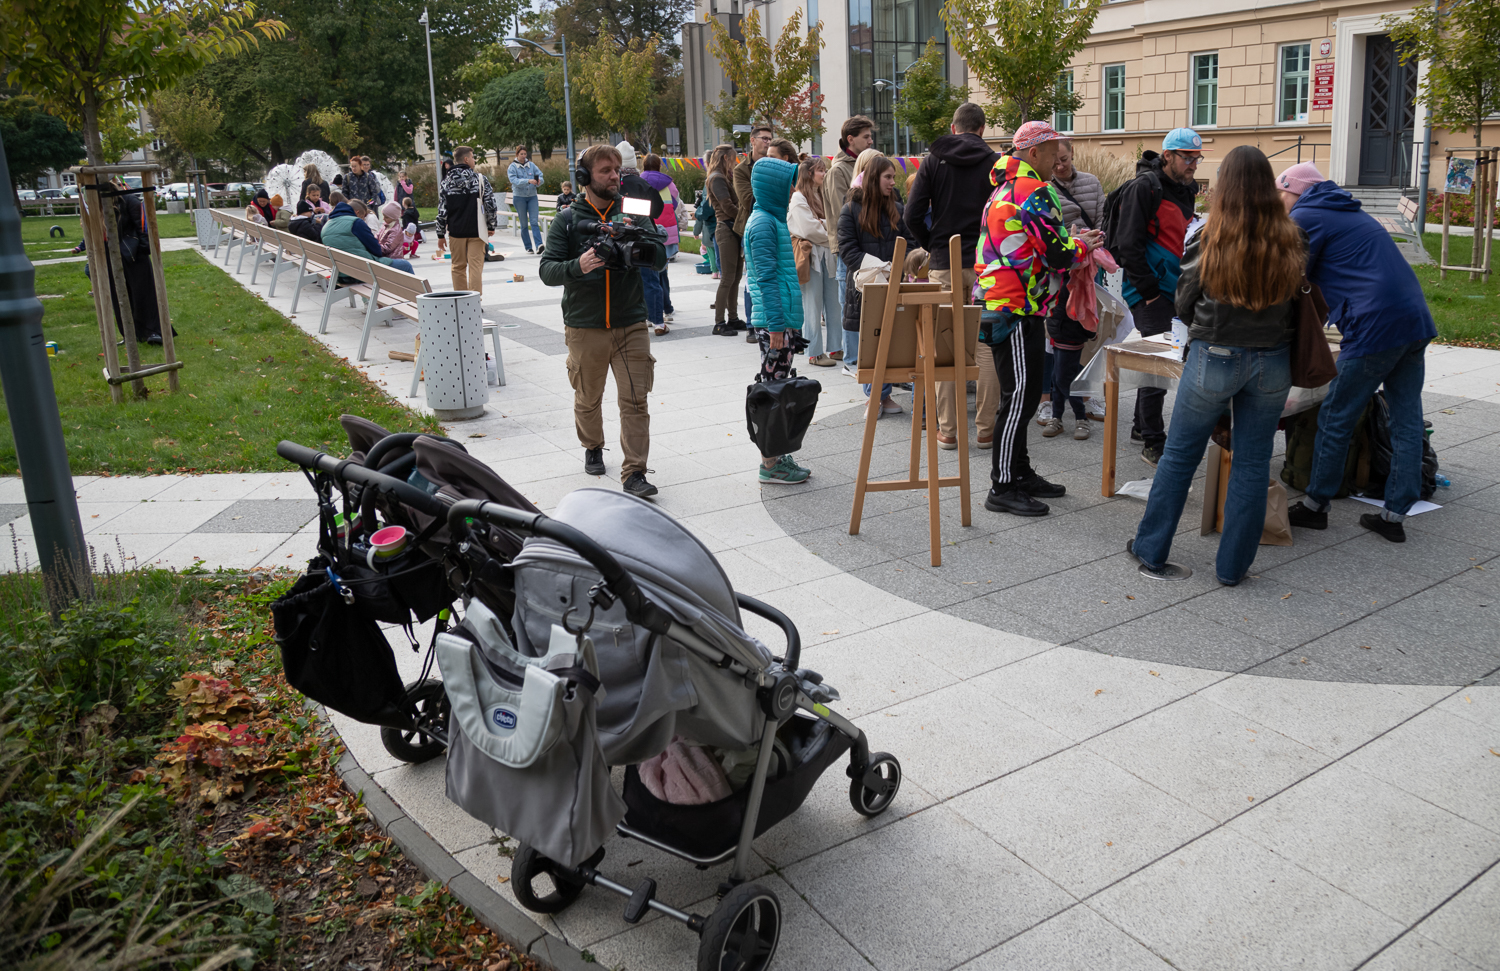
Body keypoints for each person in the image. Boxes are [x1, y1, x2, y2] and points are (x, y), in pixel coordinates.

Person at [1128, 145, 1304, 583]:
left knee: (1179, 455)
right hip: (1273, 359)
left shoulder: (1211, 234)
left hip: (1216, 354)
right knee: (1252, 463)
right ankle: (1233, 568)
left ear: (1225, 186)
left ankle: (1151, 549)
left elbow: (1184, 299)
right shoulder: (1291, 236)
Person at [1279, 162, 1439, 543]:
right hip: (1415, 320)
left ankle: (1315, 506)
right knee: (1406, 419)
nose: (1277, 203)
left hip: (1376, 325)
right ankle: (1394, 515)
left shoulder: (1306, 215)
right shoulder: (1345, 209)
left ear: (1294, 191)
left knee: (1336, 413)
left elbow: (1287, 278)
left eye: (1279, 194)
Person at [975, 121, 1102, 517]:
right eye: (1053, 154)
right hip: (1014, 307)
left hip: (1005, 303)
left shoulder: (1004, 186)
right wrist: (1083, 244)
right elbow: (1058, 254)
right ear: (1034, 153)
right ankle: (1002, 486)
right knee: (1019, 399)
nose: (1057, 161)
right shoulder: (1034, 190)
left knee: (1023, 395)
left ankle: (1020, 473)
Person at [539, 143, 667, 499]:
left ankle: (635, 472)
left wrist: (638, 242)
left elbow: (659, 258)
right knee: (588, 397)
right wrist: (577, 266)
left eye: (617, 170)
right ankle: (593, 445)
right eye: (605, 171)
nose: (614, 176)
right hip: (585, 325)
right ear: (585, 177)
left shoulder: (632, 210)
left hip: (631, 322)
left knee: (636, 400)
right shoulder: (568, 219)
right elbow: (547, 270)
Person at [905, 102, 1002, 452]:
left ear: (953, 127)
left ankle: (947, 430)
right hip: (985, 264)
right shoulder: (996, 163)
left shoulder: (933, 161)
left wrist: (931, 243)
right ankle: (986, 429)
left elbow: (912, 213)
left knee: (943, 344)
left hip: (944, 262)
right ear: (982, 129)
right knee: (986, 345)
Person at [1114, 128, 1203, 467]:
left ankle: (1141, 426)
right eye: (1187, 157)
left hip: (1175, 288)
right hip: (1148, 291)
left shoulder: (1187, 189)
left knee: (1164, 358)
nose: (1193, 164)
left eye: (1197, 158)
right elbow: (1128, 245)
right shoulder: (1144, 187)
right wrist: (1149, 293)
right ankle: (1153, 441)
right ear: (1168, 156)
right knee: (1159, 364)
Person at [744, 155, 813, 484]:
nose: (791, 191)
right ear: (772, 187)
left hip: (782, 318)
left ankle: (775, 456)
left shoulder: (770, 219)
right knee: (774, 392)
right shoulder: (763, 224)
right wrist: (775, 328)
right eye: (787, 185)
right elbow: (767, 279)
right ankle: (770, 464)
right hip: (776, 322)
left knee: (778, 387)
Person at [839, 155, 917, 418]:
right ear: (874, 178)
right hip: (865, 289)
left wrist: (900, 266)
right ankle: (876, 397)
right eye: (888, 177)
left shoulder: (897, 208)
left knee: (892, 341)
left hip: (894, 285)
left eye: (893, 177)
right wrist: (881, 268)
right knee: (871, 343)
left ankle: (882, 395)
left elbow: (911, 243)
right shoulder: (850, 209)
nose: (893, 182)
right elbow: (847, 251)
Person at [1043, 138, 1108, 441]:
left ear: (1072, 155)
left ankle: (1086, 396)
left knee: (1087, 334)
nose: (1059, 166)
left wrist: (1095, 241)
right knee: (1055, 339)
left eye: (1064, 160)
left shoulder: (1091, 183)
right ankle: (1051, 404)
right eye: (1054, 161)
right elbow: (1047, 232)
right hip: (1060, 270)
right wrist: (1071, 244)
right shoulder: (1044, 188)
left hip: (1091, 266)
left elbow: (1104, 220)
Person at [837, 146, 887, 380]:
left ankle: (878, 373)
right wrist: (875, 264)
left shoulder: (892, 202)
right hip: (862, 270)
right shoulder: (851, 204)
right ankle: (853, 362)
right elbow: (847, 246)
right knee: (855, 314)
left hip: (883, 270)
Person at [788, 156, 843, 367]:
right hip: (811, 256)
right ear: (809, 173)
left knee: (834, 303)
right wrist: (829, 230)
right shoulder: (798, 198)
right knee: (812, 303)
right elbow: (809, 229)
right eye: (821, 170)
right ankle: (814, 352)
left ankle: (836, 347)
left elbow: (831, 223)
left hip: (828, 255)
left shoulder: (821, 194)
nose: (825, 174)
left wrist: (824, 225)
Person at [435, 145, 497, 296]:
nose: (474, 160)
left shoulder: (446, 182)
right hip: (477, 231)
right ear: (466, 159)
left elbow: (442, 210)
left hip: (456, 232)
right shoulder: (480, 179)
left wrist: (440, 234)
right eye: (473, 157)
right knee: (475, 267)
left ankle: (461, 300)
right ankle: (474, 301)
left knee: (458, 267)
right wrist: (491, 225)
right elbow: (490, 204)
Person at [735, 126, 774, 340]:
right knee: (754, 277)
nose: (767, 142)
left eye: (770, 139)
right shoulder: (741, 170)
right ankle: (752, 324)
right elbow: (748, 200)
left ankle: (773, 322)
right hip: (752, 227)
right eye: (764, 138)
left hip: (776, 225)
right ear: (753, 140)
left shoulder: (775, 164)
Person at [707, 144, 747, 335]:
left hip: (733, 228)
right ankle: (719, 322)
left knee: (736, 277)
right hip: (726, 228)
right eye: (733, 158)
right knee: (727, 278)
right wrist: (745, 219)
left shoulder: (724, 176)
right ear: (725, 158)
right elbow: (727, 206)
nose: (735, 161)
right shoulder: (717, 178)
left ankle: (733, 317)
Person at [641, 154, 682, 336]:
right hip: (666, 230)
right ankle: (667, 308)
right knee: (662, 272)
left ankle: (652, 315)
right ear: (659, 165)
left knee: (650, 276)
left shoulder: (640, 181)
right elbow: (675, 203)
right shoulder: (669, 183)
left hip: (648, 229)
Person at [321, 198, 416, 273]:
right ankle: (418, 292)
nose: (363, 220)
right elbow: (377, 250)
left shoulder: (327, 224)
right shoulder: (356, 223)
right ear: (357, 213)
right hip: (360, 271)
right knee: (405, 265)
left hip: (339, 271)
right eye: (363, 217)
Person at [507, 145, 544, 254]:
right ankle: (528, 246)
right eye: (521, 154)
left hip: (532, 197)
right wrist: (527, 181)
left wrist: (539, 181)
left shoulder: (531, 165)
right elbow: (514, 180)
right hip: (519, 198)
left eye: (525, 154)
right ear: (517, 154)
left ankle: (539, 245)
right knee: (524, 224)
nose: (523, 156)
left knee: (534, 221)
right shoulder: (512, 167)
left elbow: (540, 175)